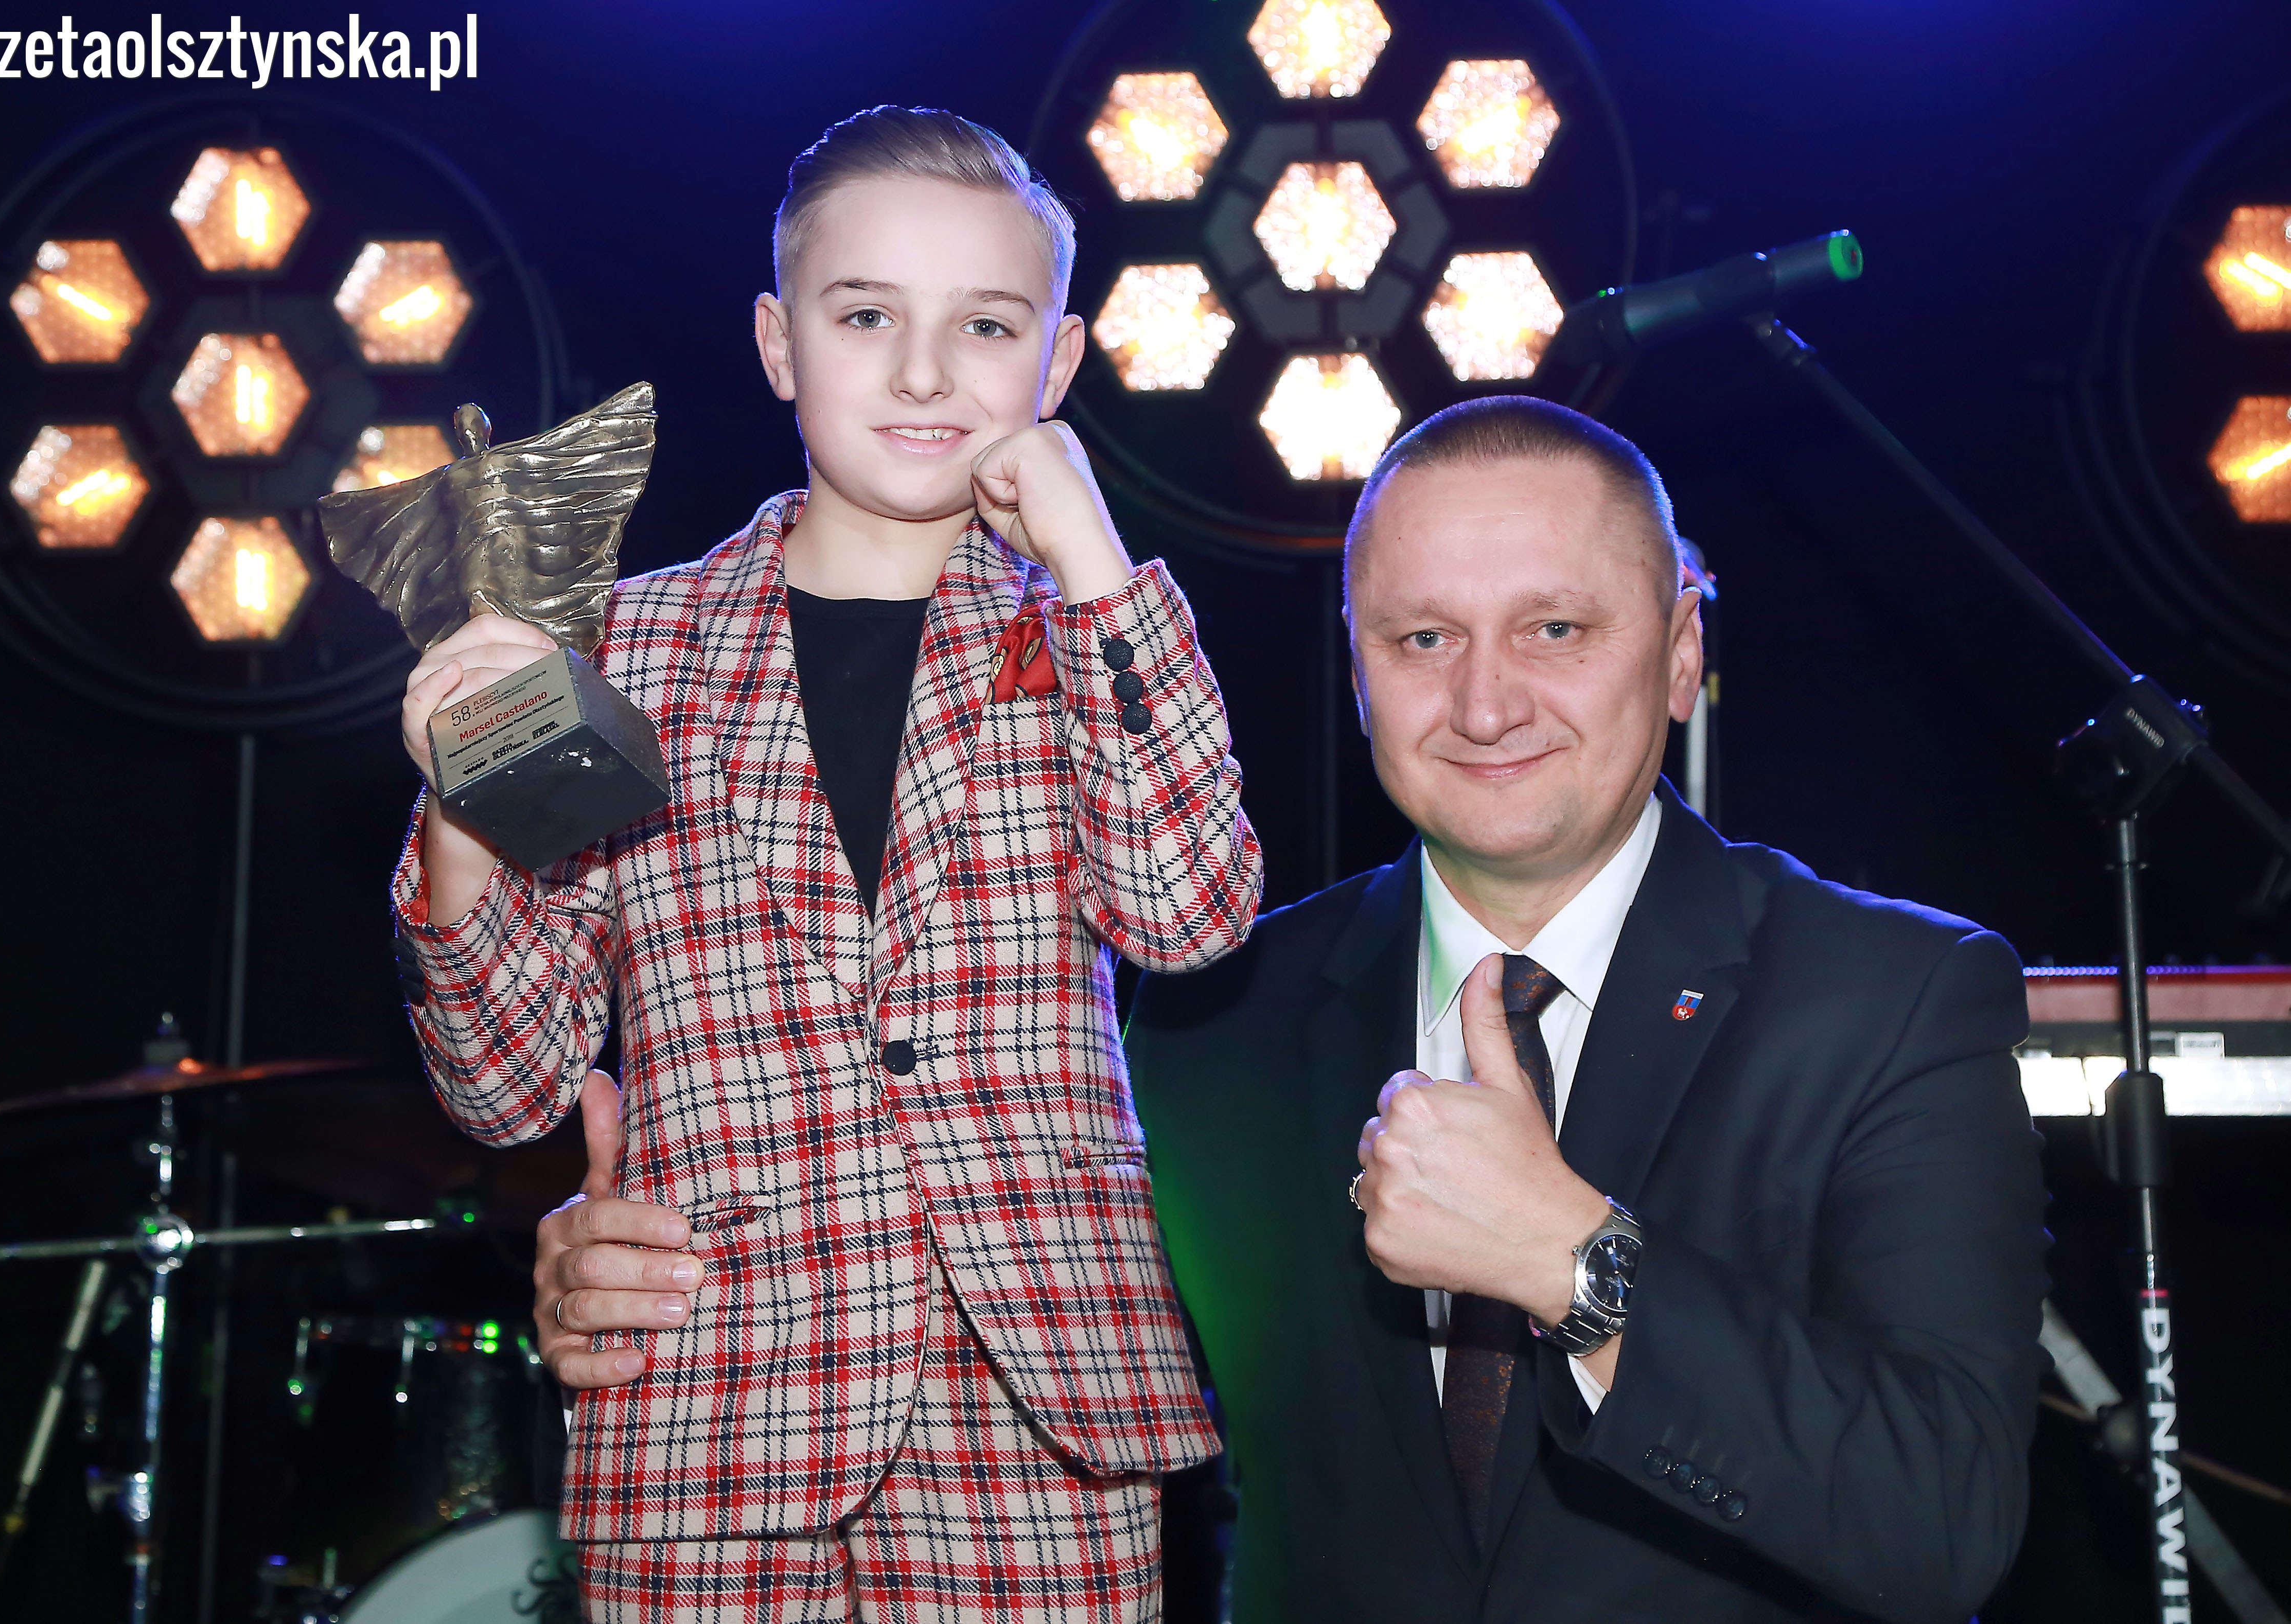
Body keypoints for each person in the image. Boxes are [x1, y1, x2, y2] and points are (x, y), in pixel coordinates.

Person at [542, 395, 2049, 1623]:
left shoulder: (1894, 996)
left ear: (1683, 652)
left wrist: (1575, 1266)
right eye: (1423, 639)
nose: (1485, 703)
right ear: (1358, 668)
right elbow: (972, 1294)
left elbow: (1943, 1524)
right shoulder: (1213, 1020)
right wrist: (647, 1268)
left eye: (1557, 630)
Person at [397, 105, 1261, 1620]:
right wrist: (463, 806)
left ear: (1058, 363)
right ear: (778, 342)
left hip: (1038, 1417)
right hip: (708, 1412)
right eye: (866, 316)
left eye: (985, 324)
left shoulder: (1087, 627)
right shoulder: (627, 650)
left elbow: (1190, 912)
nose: (924, 373)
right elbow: (508, 1084)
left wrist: (1093, 562)